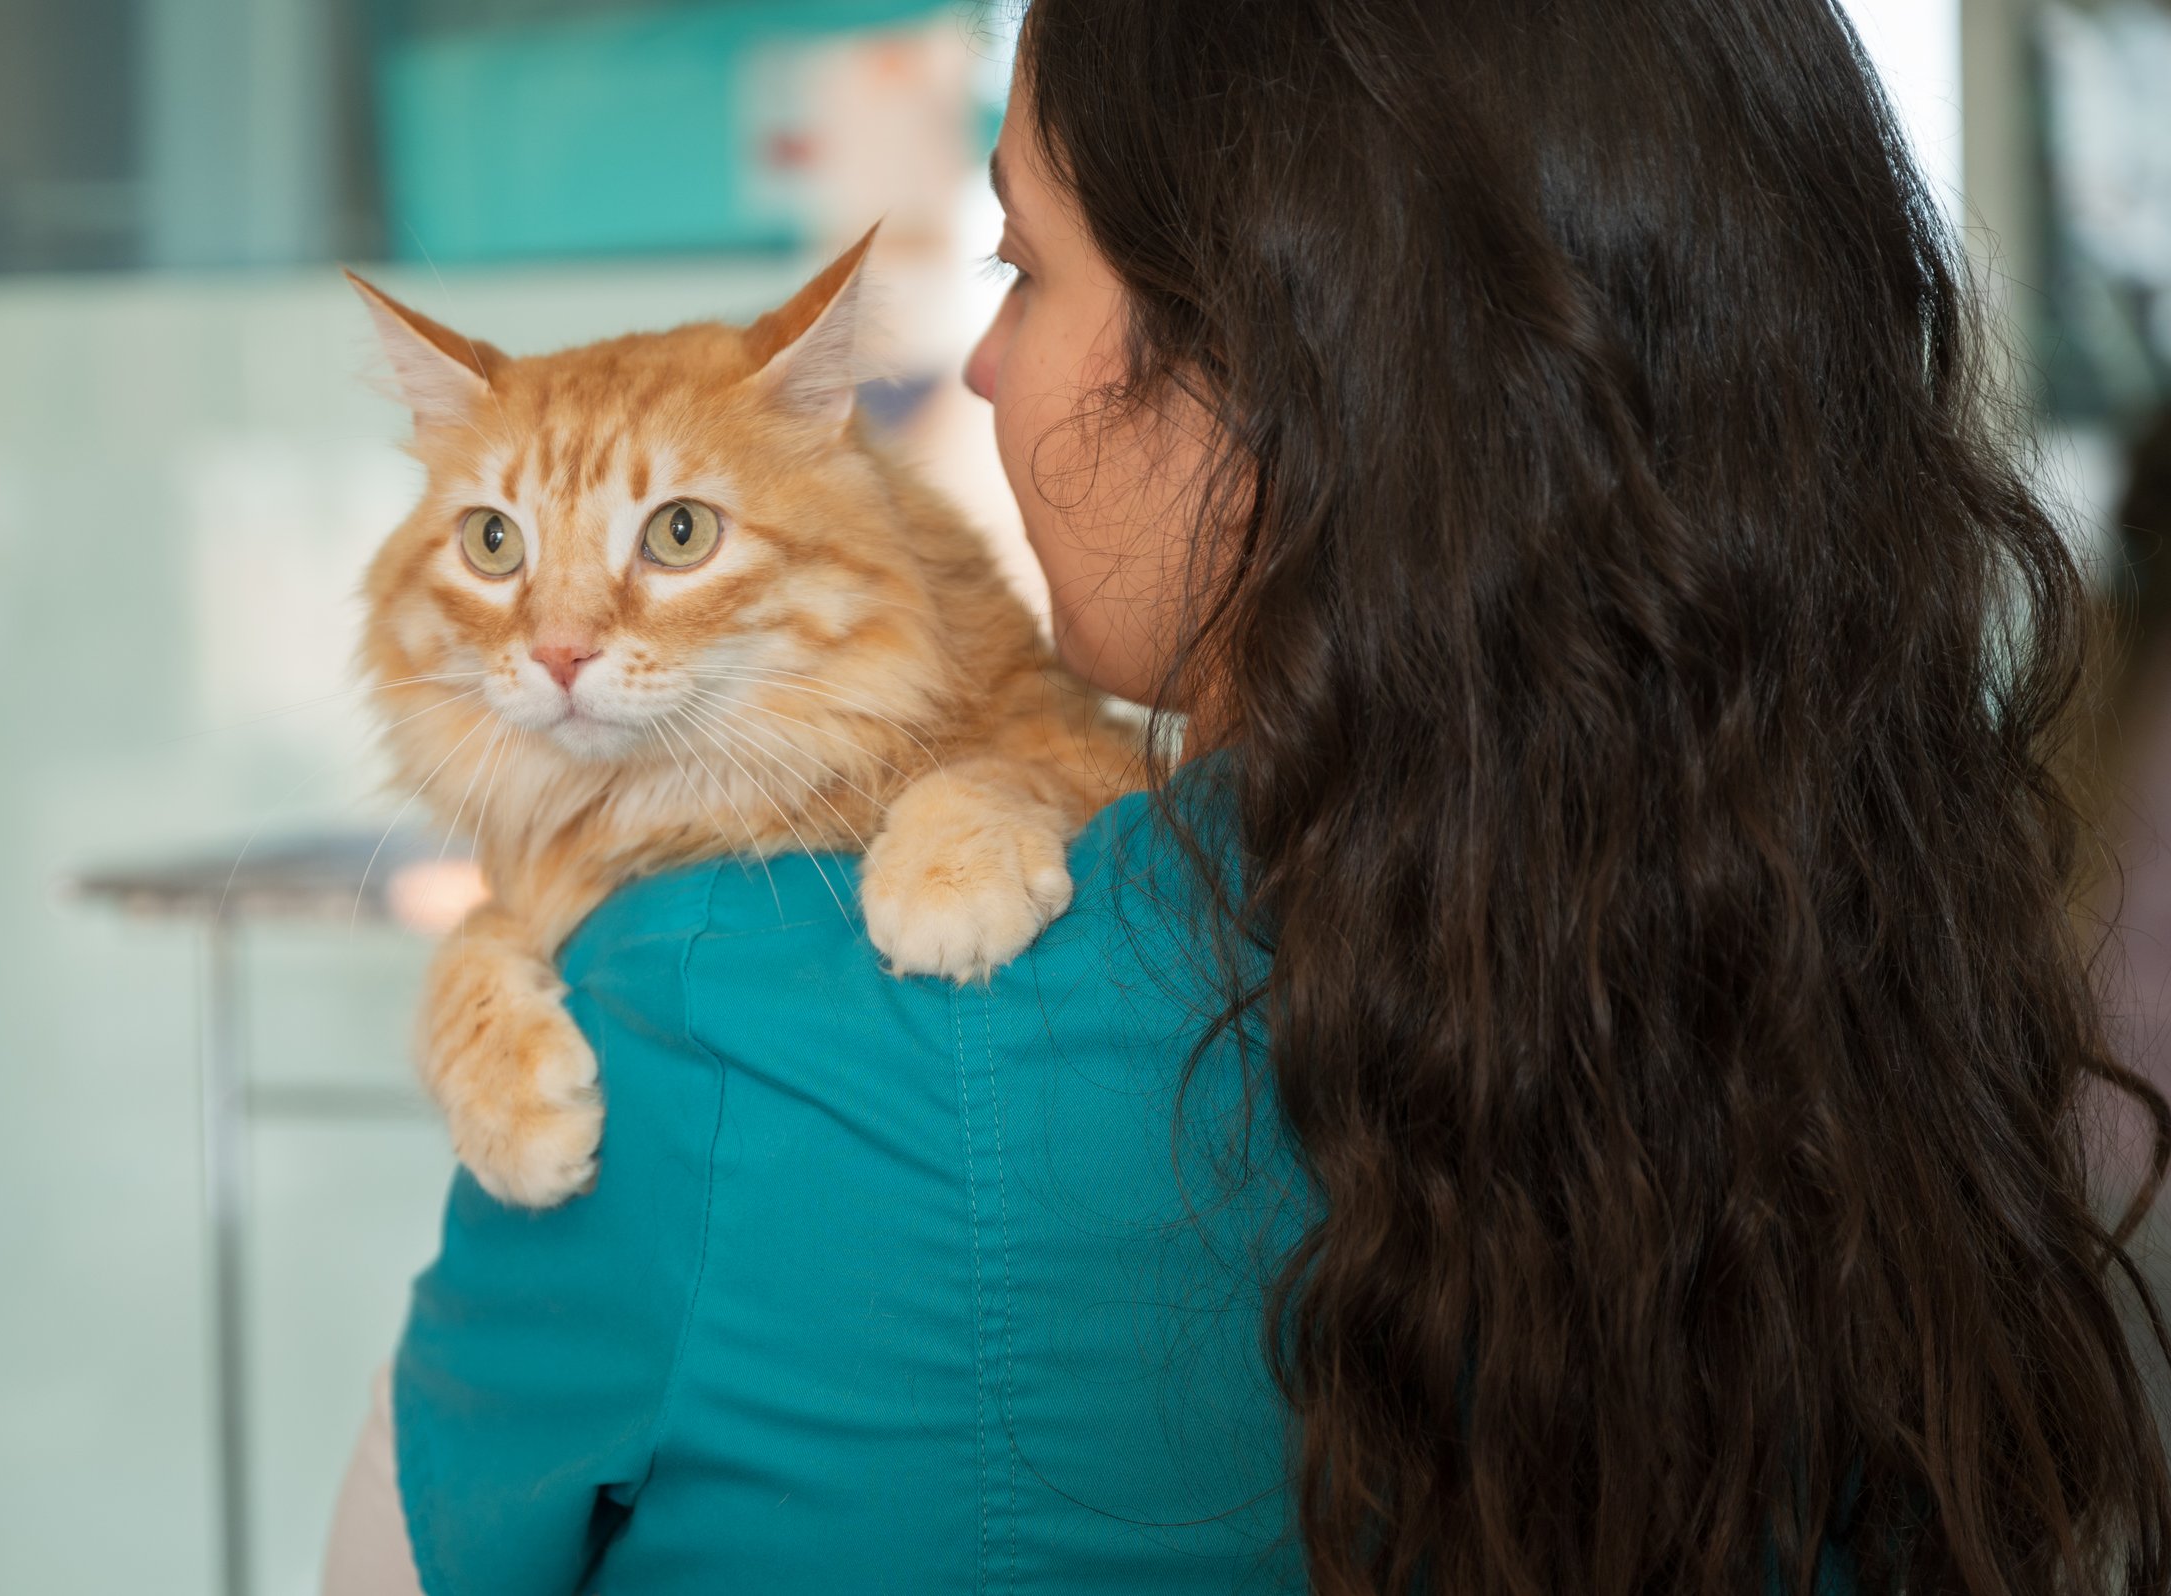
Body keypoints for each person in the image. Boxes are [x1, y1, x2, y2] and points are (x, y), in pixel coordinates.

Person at [321, 1, 2171, 1591]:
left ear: (1270, 372)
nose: (978, 360)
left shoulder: (712, 1017)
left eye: (1025, 271)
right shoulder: (1881, 994)